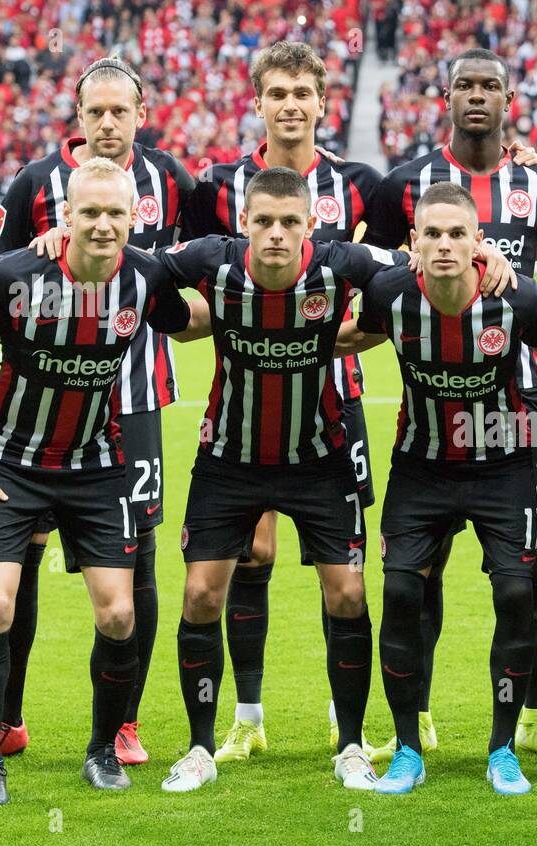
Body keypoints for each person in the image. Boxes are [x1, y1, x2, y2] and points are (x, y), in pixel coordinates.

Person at [0, 58, 195, 769]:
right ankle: (5, 721)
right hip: (37, 399)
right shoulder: (35, 183)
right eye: (94, 111)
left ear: (141, 113)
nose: (107, 123)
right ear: (77, 117)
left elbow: (219, 249)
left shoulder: (172, 179)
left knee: (138, 565)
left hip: (130, 399)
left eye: (120, 112)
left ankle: (122, 726)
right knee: (21, 561)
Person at [155, 167, 464, 793]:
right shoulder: (212, 261)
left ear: (309, 226)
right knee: (200, 598)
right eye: (263, 221)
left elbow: (412, 266)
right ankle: (199, 747)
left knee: (348, 597)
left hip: (320, 460)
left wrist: (483, 259)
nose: (275, 233)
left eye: (289, 222)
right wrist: (57, 245)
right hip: (229, 460)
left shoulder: (340, 263)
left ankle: (350, 745)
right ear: (243, 224)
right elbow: (144, 268)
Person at [338, 183, 537, 795]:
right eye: (433, 234)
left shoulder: (515, 296)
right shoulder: (390, 292)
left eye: (458, 234)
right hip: (421, 466)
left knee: (515, 595)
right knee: (401, 593)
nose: (446, 244)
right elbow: (349, 335)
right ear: (413, 245)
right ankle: (407, 749)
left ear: (479, 242)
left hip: (504, 464)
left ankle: (502, 748)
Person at [362, 48, 537, 762]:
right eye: (466, 86)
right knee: (415, 575)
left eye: (491, 85)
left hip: (516, 413)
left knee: (531, 571)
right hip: (430, 415)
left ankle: (532, 718)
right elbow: (366, 268)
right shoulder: (404, 186)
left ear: (510, 98)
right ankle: (415, 716)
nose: (478, 96)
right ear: (447, 97)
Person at [183, 40, 387, 765]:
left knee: (347, 577)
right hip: (245, 405)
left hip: (335, 407)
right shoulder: (217, 185)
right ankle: (246, 715)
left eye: (304, 93)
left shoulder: (362, 185)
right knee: (255, 553)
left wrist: (350, 339)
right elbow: (188, 283)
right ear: (260, 101)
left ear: (323, 102)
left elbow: (400, 284)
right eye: (279, 93)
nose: (292, 105)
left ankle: (346, 721)